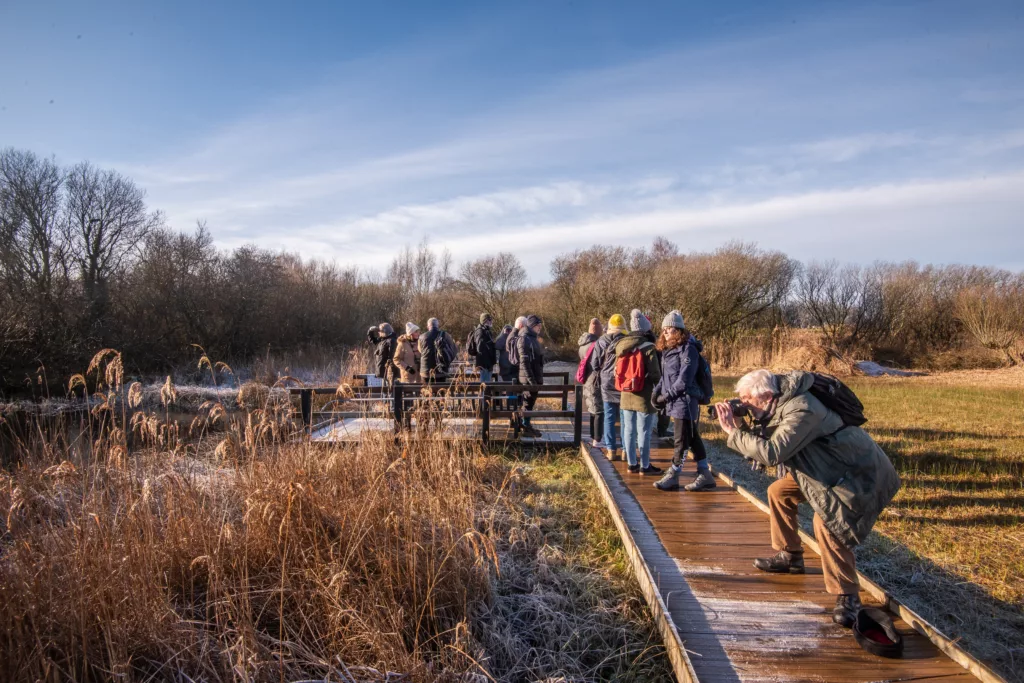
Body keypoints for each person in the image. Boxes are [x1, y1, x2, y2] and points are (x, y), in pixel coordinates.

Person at [715, 369, 901, 628]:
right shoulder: (777, 404)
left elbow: (772, 453)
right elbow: (766, 439)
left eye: (747, 400)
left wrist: (732, 432)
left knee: (827, 523)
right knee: (778, 492)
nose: (743, 405)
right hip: (820, 468)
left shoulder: (802, 409)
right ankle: (789, 556)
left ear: (767, 396)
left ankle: (847, 595)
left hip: (855, 472)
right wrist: (742, 424)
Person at [653, 310, 715, 492]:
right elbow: (665, 378)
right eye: (664, 330)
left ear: (679, 330)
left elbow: (684, 380)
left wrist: (666, 397)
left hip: (685, 402)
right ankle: (705, 474)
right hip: (675, 401)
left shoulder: (688, 350)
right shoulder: (668, 350)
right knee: (693, 437)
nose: (666, 333)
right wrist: (656, 393)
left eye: (670, 329)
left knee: (681, 440)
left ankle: (673, 474)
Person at [615, 310, 663, 475]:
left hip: (625, 392)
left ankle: (631, 463)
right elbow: (656, 373)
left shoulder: (621, 346)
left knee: (628, 429)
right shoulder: (648, 346)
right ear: (646, 329)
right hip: (644, 394)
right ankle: (644, 465)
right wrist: (661, 392)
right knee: (644, 431)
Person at [590, 313, 626, 460]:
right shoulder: (627, 341)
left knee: (609, 417)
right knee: (625, 418)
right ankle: (625, 450)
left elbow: (594, 364)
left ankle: (611, 450)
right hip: (623, 381)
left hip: (606, 382)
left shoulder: (601, 341)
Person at [516, 314, 545, 438]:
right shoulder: (524, 339)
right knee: (527, 403)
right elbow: (525, 363)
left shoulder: (532, 338)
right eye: (538, 326)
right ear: (533, 326)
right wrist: (532, 380)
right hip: (528, 378)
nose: (540, 328)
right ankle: (525, 426)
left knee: (530, 403)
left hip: (534, 376)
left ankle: (527, 425)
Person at [577, 318, 604, 442]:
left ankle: (593, 436)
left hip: (586, 379)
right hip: (595, 380)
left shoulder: (582, 345)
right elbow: (597, 365)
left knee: (592, 408)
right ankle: (597, 439)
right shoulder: (596, 345)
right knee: (598, 410)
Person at [419, 317, 457, 382]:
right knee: (440, 390)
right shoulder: (445, 335)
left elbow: (420, 351)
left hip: (426, 372)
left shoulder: (421, 337)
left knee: (427, 391)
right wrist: (447, 361)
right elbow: (454, 349)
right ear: (437, 325)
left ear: (428, 326)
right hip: (441, 371)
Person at [467, 313, 498, 382]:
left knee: (487, 382)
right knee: (485, 383)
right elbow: (480, 348)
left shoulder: (486, 330)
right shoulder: (480, 331)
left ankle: (486, 392)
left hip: (488, 362)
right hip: (484, 363)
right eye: (489, 319)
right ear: (484, 321)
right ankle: (484, 393)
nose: (491, 321)